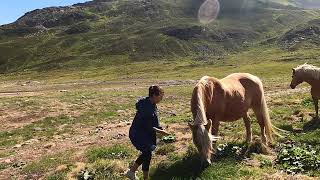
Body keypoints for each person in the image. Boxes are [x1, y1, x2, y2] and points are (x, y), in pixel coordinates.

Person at [125, 85, 170, 180]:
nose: (162, 98)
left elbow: (153, 122)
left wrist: (160, 128)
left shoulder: (150, 104)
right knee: (147, 153)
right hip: (137, 134)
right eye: (161, 96)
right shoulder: (147, 108)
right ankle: (136, 174)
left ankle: (137, 175)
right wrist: (161, 132)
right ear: (154, 95)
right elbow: (149, 126)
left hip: (144, 133)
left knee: (147, 154)